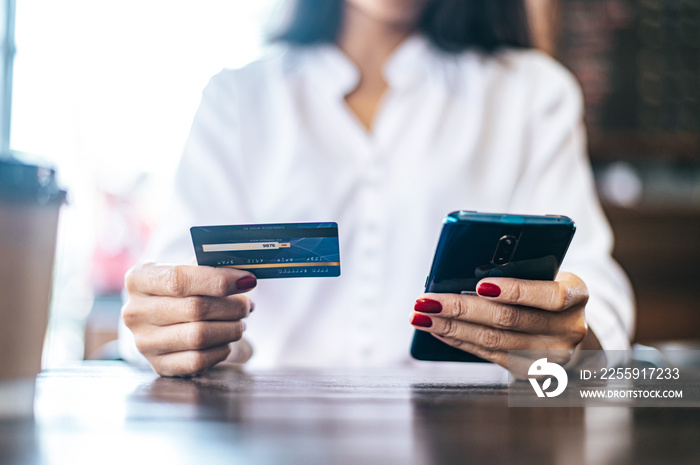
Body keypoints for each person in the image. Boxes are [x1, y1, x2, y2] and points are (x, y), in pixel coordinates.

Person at [119, 0, 634, 377]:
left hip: (474, 435)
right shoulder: (238, 98)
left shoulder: (531, 94)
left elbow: (596, 288)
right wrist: (169, 325)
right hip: (272, 436)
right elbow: (162, 294)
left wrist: (573, 334)